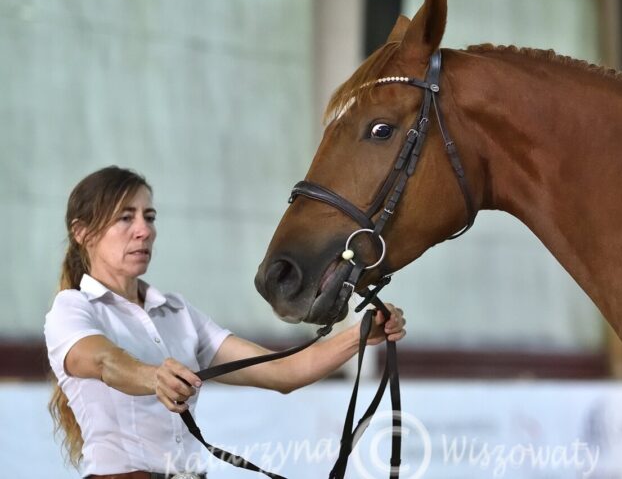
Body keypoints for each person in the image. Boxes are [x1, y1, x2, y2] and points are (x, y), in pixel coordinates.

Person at [45, 166, 406, 479]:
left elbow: (285, 373)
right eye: (126, 217)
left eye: (149, 217)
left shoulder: (176, 311)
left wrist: (359, 335)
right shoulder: (72, 308)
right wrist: (152, 376)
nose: (144, 230)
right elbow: (103, 361)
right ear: (82, 232)